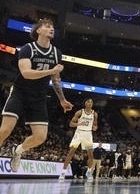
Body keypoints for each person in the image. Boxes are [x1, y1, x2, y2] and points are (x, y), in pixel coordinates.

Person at [0, 18, 73, 173]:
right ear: (38, 31)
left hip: (39, 98)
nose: (51, 28)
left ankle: (17, 151)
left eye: (52, 26)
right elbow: (26, 73)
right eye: (47, 26)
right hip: (20, 93)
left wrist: (62, 99)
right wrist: (51, 70)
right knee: (5, 129)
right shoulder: (28, 49)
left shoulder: (56, 53)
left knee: (40, 137)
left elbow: (55, 79)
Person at [59, 98, 98, 180]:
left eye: (91, 102)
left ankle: (89, 172)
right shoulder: (80, 112)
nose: (90, 103)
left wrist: (95, 128)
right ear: (85, 103)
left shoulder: (95, 114)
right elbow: (71, 124)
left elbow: (95, 125)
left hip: (88, 134)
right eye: (88, 101)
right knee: (71, 152)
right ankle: (63, 172)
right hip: (79, 133)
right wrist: (79, 123)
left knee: (90, 154)